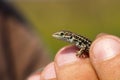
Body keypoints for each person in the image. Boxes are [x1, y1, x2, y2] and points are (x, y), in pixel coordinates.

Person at [28, 33, 120, 80]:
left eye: (61, 35)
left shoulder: (77, 41)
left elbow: (84, 46)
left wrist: (80, 53)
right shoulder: (75, 41)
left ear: (68, 36)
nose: (57, 36)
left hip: (95, 54)